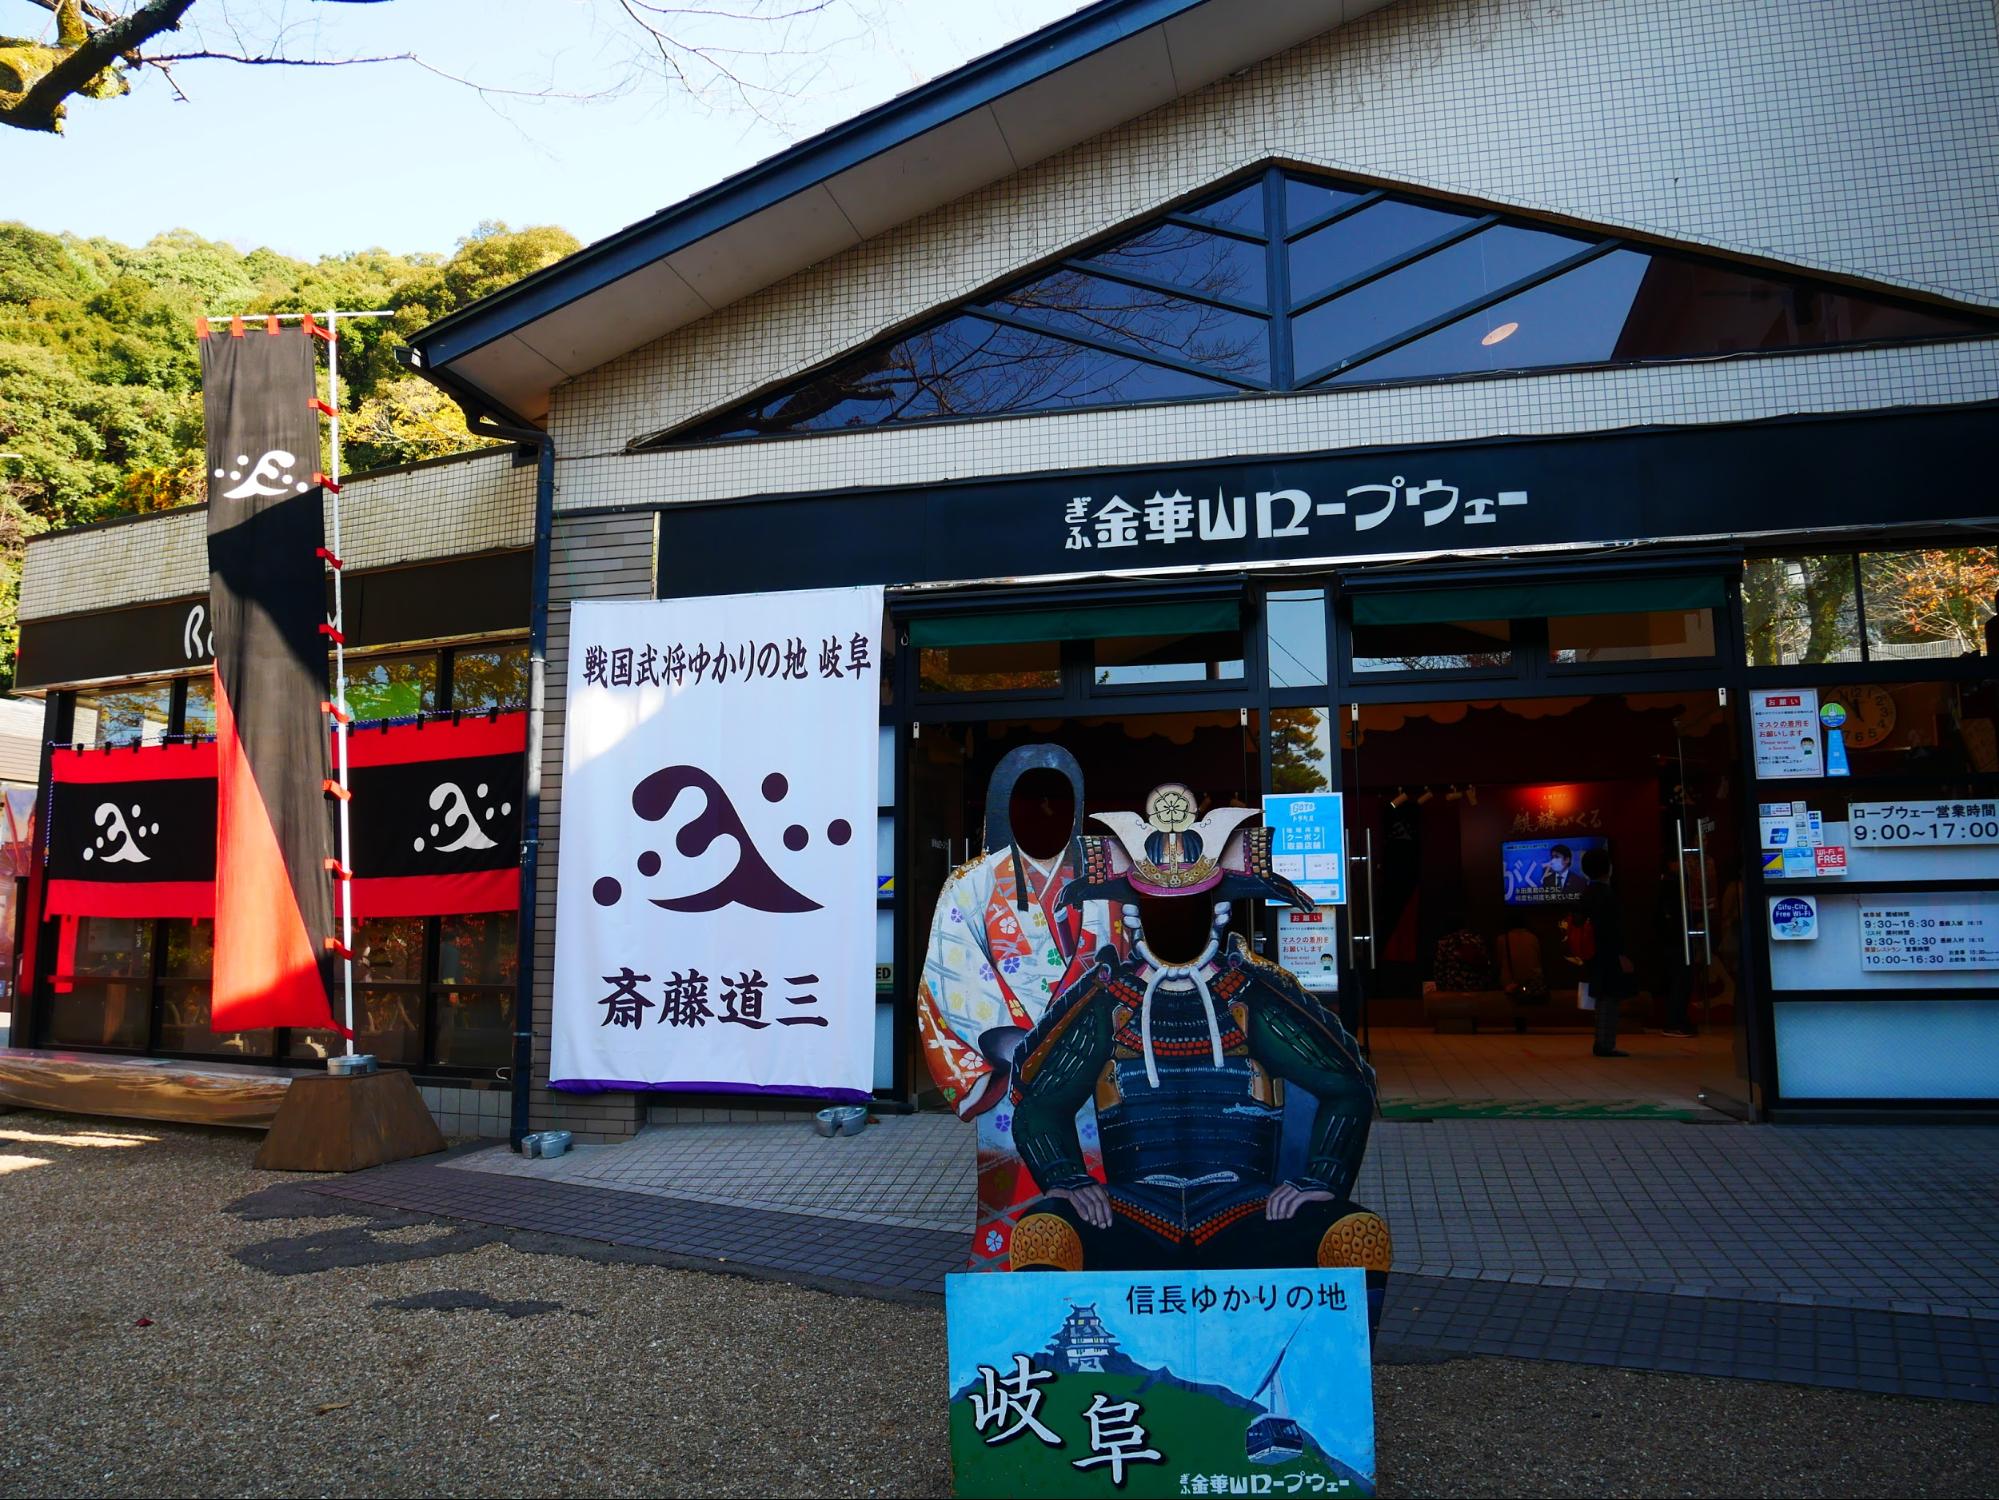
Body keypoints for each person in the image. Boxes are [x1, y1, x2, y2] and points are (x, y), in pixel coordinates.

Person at [1578, 846, 1636, 1057]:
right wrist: (1621, 955)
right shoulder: (1608, 895)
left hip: (1593, 954)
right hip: (1609, 955)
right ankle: (1604, 1044)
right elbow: (1614, 929)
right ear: (1608, 869)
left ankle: (1602, 1042)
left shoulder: (1586, 894)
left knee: (1602, 998)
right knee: (1609, 999)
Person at [1652, 855, 1698, 1038]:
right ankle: (1675, 1021)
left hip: (1673, 941)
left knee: (1680, 981)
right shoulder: (1671, 887)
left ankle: (1677, 1020)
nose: (1684, 865)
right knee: (1680, 981)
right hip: (1676, 941)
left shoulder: (1670, 886)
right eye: (1680, 861)